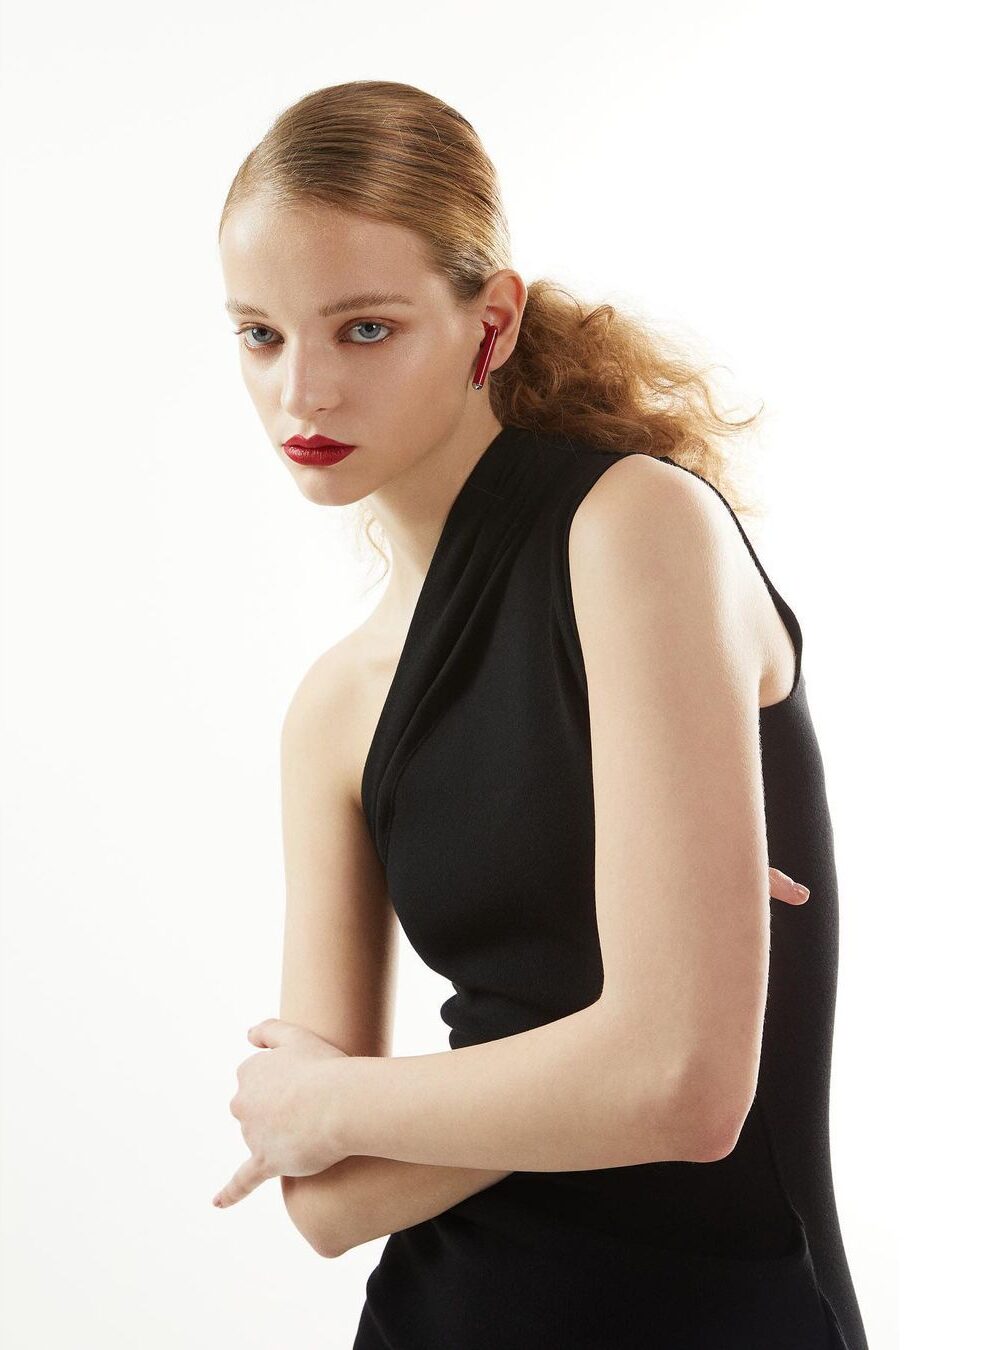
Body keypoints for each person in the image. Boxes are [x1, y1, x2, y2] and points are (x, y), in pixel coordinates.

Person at [215, 80, 867, 1350]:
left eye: (364, 328)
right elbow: (326, 1203)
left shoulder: (635, 528)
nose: (303, 392)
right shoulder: (335, 706)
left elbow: (684, 1091)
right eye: (258, 335)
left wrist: (333, 1101)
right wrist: (605, 1003)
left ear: (491, 321)